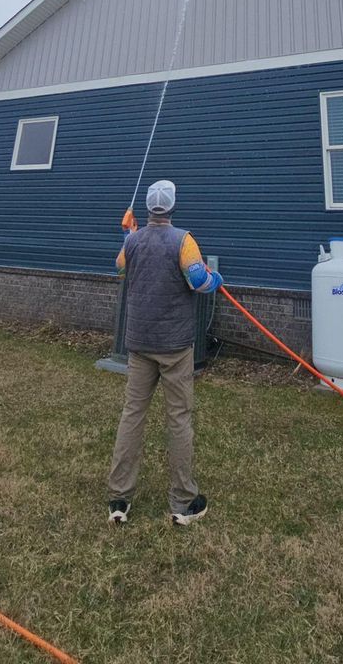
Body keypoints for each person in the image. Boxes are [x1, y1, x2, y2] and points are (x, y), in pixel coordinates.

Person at [107, 179, 222, 527]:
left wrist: (131, 234)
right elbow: (199, 281)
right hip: (174, 348)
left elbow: (121, 266)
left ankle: (119, 499)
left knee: (132, 415)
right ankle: (184, 502)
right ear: (172, 208)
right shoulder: (183, 241)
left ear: (148, 207)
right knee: (179, 418)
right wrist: (217, 278)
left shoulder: (134, 241)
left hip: (139, 345)